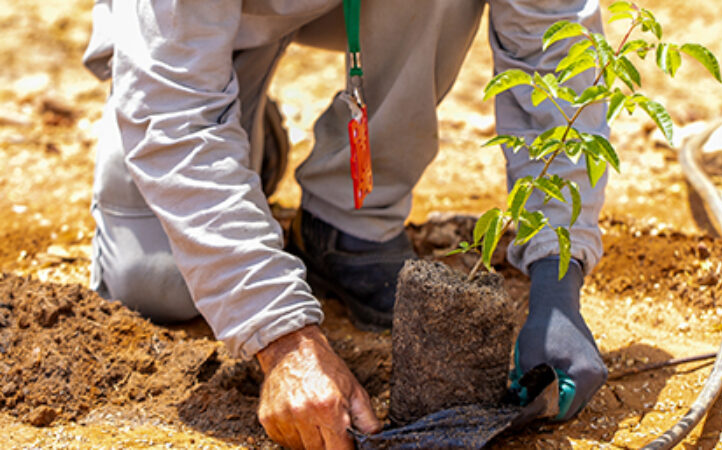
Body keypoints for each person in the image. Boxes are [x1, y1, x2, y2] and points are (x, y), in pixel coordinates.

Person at [83, 0, 609, 448]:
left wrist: (556, 282)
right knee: (156, 284)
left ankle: (349, 218)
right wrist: (283, 339)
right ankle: (244, 134)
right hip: (202, 33)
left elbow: (556, 45)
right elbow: (174, 112)